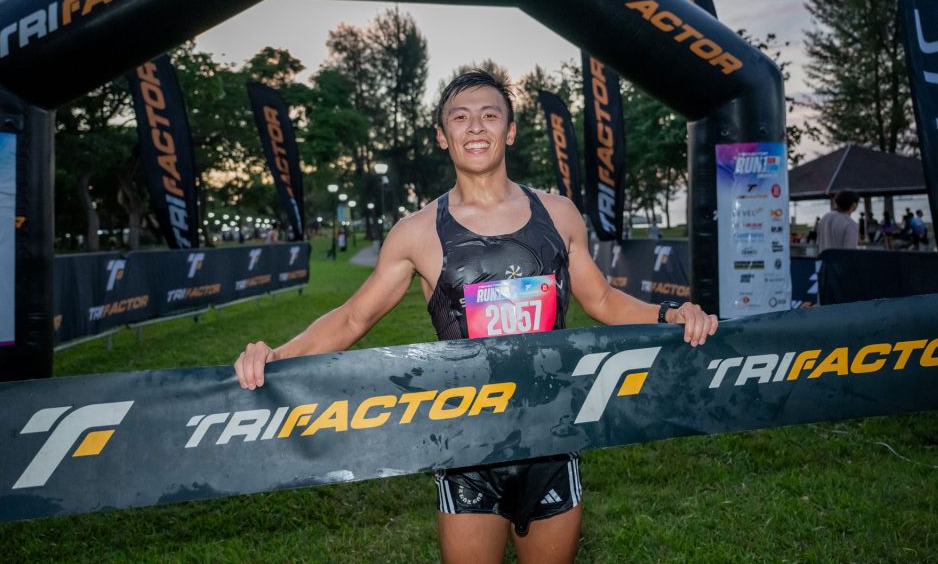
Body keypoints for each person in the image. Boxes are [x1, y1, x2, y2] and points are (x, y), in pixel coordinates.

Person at [234, 70, 718, 564]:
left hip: (552, 435)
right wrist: (278, 355)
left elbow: (605, 301)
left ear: (510, 131)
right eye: (460, 117)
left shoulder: (559, 214)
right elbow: (353, 318)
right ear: (442, 136)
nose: (476, 127)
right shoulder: (417, 231)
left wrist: (668, 313)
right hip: (467, 444)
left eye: (490, 115)